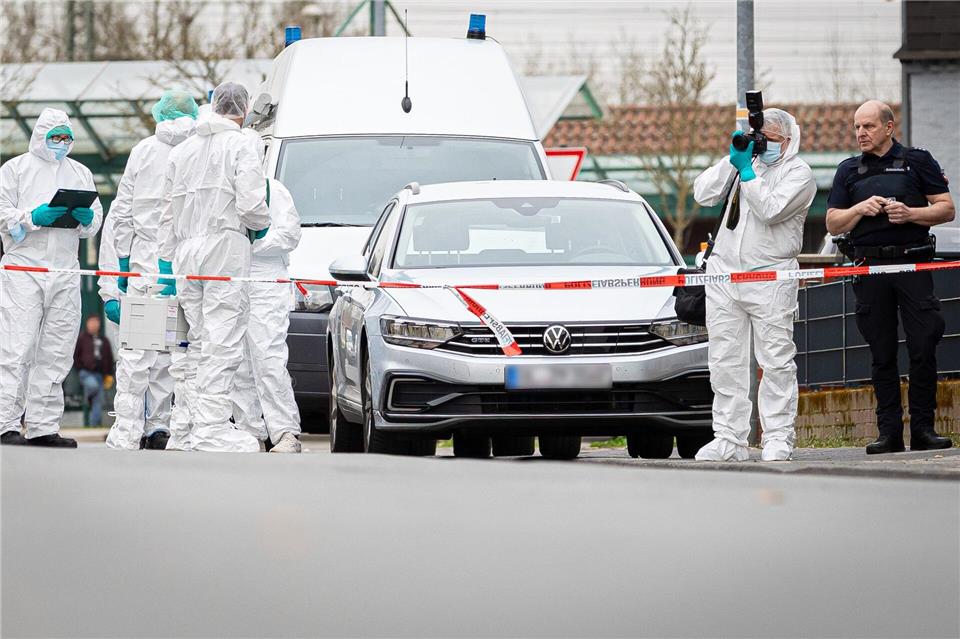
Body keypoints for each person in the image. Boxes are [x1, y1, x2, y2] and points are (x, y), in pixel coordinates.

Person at [826, 100, 955, 454]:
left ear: (888, 127)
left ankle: (924, 430)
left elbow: (946, 208)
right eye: (856, 127)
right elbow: (832, 222)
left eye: (867, 126)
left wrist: (910, 213)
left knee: (923, 345)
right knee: (881, 352)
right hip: (870, 268)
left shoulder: (918, 161)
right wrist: (857, 209)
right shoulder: (849, 170)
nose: (860, 133)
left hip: (912, 265)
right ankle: (889, 433)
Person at [692, 108, 817, 462]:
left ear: (788, 140)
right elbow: (703, 193)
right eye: (761, 138)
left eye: (771, 139)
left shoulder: (799, 174)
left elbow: (770, 210)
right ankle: (729, 438)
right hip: (726, 274)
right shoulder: (746, 163)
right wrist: (733, 161)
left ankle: (778, 436)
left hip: (770, 276)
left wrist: (747, 172)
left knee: (776, 359)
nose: (764, 146)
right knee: (724, 359)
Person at [157, 82, 270, 452]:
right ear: (244, 107)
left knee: (199, 341)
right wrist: (262, 224)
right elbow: (252, 204)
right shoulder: (243, 144)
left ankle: (186, 426)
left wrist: (166, 260)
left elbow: (166, 215)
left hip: (187, 253)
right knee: (222, 341)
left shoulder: (182, 151)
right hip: (225, 247)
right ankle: (212, 428)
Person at [0, 108, 103, 447]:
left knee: (57, 350)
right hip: (24, 268)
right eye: (54, 136)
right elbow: (2, 214)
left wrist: (87, 218)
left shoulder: (80, 172)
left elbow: (95, 220)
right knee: (17, 346)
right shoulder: (15, 170)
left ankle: (44, 425)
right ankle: (6, 423)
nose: (61, 143)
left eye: (66, 137)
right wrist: (33, 217)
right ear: (40, 136)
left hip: (65, 269)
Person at [101, 90, 198, 451]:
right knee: (174, 354)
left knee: (137, 352)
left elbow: (122, 211)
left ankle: (127, 428)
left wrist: (120, 270)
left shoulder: (143, 151)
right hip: (185, 266)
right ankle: (159, 426)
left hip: (143, 267)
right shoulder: (197, 150)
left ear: (159, 115)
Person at [231, 130, 303, 453]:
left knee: (268, 357)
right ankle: (250, 431)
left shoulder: (276, 191)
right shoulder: (227, 192)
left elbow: (289, 234)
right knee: (238, 362)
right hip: (234, 281)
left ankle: (286, 431)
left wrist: (256, 244)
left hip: (266, 282)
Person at [73, 314, 115, 427]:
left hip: (100, 374)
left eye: (96, 322)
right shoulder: (82, 338)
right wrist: (79, 368)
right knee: (93, 387)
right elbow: (75, 355)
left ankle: (94, 424)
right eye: (91, 322)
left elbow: (109, 357)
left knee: (98, 401)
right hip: (85, 372)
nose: (94, 325)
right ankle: (88, 397)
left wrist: (109, 374)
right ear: (87, 324)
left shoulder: (104, 340)